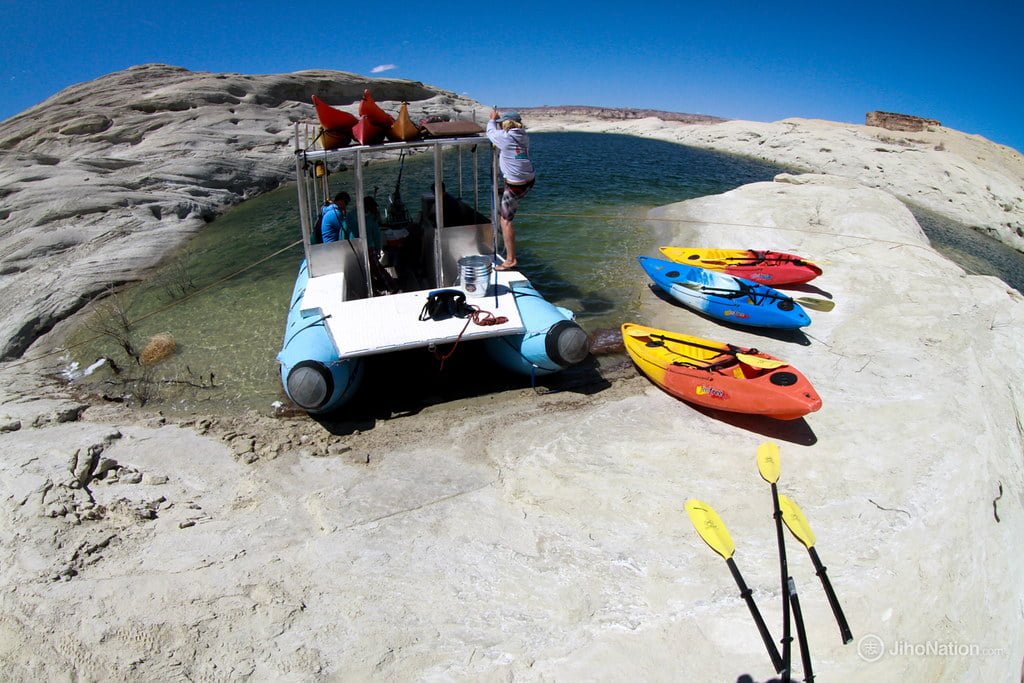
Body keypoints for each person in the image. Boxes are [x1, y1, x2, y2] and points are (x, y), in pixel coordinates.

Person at [486, 109, 535, 270]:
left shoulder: (505, 138)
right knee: (508, 191)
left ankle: (511, 259)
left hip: (516, 185)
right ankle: (505, 191)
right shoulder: (524, 136)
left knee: (505, 221)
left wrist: (493, 119)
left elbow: (490, 132)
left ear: (507, 124)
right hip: (528, 180)